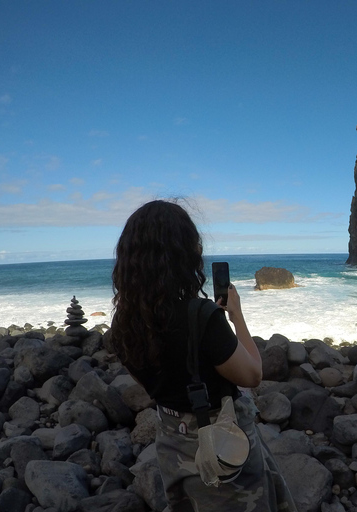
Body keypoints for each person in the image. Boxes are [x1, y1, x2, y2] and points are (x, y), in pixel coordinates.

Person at [110, 200, 297, 512]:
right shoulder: (201, 316)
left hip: (171, 443)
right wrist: (236, 316)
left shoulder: (123, 324)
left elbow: (153, 383)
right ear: (184, 253)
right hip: (221, 446)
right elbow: (252, 375)